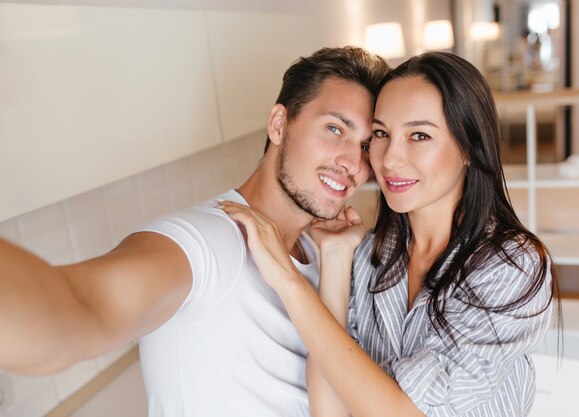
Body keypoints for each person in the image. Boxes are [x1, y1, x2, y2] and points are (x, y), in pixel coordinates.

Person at [0, 46, 389, 416]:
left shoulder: (326, 253)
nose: (352, 162)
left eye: (367, 145)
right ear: (278, 125)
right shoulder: (204, 241)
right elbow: (79, 309)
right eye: (335, 129)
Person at [222, 51, 559, 417]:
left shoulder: (512, 268)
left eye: (418, 135)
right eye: (381, 134)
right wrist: (335, 261)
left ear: (468, 148)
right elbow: (328, 411)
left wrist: (290, 283)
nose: (389, 159)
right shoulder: (367, 258)